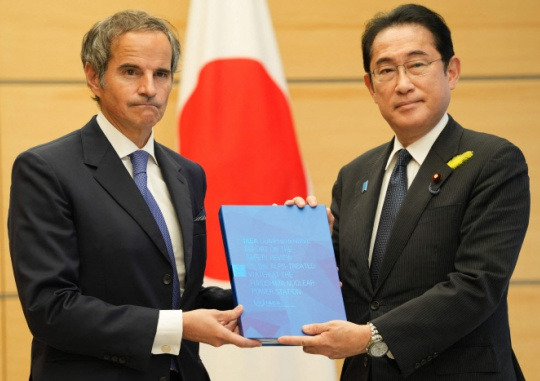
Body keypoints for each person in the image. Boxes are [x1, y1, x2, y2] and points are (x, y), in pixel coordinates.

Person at [278, 4, 529, 380]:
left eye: (417, 64)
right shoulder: (354, 176)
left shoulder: (492, 162)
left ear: (451, 71)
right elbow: (349, 292)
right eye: (386, 70)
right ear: (371, 86)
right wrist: (308, 246)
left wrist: (372, 338)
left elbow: (477, 285)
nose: (403, 83)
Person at [8, 10, 260, 381]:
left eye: (161, 73)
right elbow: (51, 309)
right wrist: (178, 328)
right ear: (94, 77)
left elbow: (175, 291)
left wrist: (275, 289)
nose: (149, 88)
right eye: (131, 72)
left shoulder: (188, 174)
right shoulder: (46, 169)